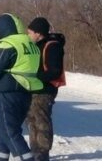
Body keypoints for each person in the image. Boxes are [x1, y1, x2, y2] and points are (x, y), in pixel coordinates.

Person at [0, 13, 43, 161]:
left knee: (9, 133)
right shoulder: (30, 44)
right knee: (1, 132)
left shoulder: (7, 45)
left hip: (8, 95)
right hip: (26, 93)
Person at [25, 17, 66, 161]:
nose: (28, 35)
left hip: (45, 91)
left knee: (42, 122)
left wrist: (34, 76)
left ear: (38, 33)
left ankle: (42, 153)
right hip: (33, 90)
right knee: (32, 122)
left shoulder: (52, 46)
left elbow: (54, 71)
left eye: (30, 32)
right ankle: (34, 151)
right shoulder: (36, 45)